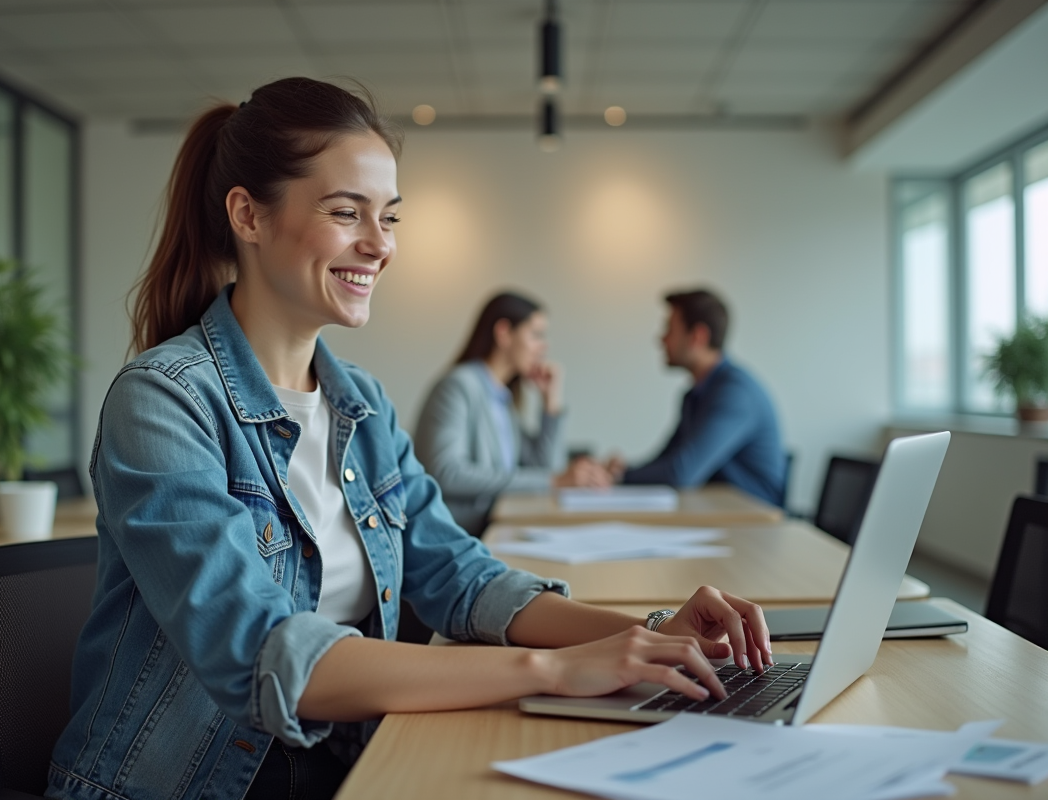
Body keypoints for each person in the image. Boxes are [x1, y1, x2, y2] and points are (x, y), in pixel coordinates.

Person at [46, 78, 771, 800]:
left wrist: (642, 637)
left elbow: (461, 578)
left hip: (345, 758)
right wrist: (554, 670)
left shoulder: (358, 402)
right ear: (248, 215)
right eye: (345, 212)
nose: (380, 244)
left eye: (389, 217)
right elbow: (269, 656)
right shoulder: (163, 402)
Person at [413, 292, 609, 537]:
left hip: (492, 530)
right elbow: (446, 472)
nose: (544, 346)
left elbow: (545, 468)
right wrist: (552, 481)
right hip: (458, 536)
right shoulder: (459, 386)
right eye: (536, 335)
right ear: (504, 333)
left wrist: (550, 403)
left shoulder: (503, 399)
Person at [615, 289, 786, 507]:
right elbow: (668, 460)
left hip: (754, 522)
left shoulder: (735, 393)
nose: (661, 339)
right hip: (716, 511)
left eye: (669, 329)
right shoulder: (696, 394)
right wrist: (623, 471)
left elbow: (681, 474)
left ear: (698, 336)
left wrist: (621, 478)